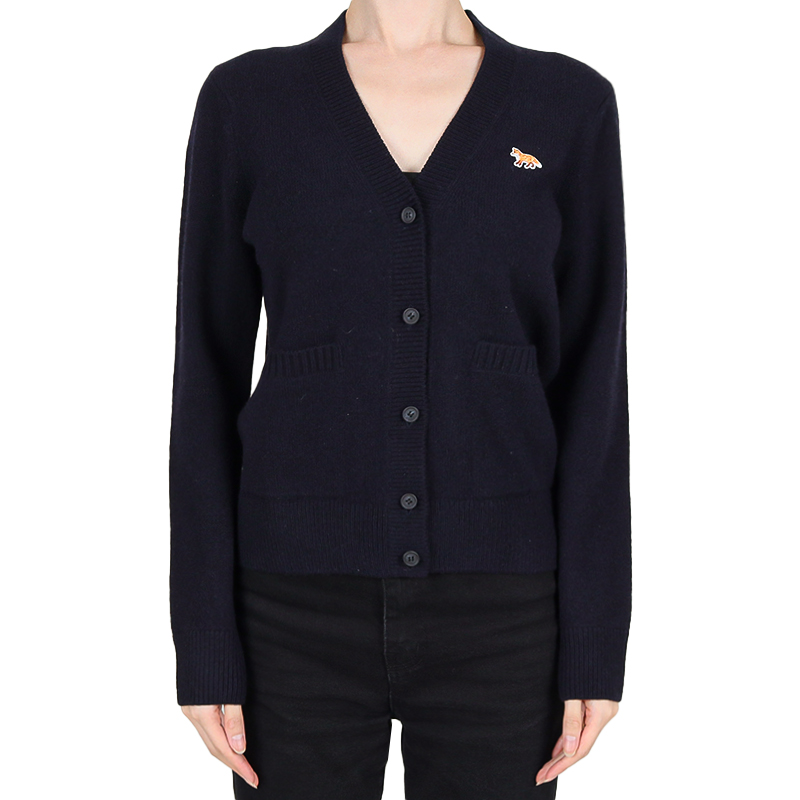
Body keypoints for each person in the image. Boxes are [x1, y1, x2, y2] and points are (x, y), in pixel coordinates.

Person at [168, 1, 632, 797]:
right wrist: (204, 639)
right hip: (288, 613)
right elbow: (204, 378)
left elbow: (595, 389)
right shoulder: (248, 101)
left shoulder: (567, 104)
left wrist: (595, 641)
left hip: (506, 617)